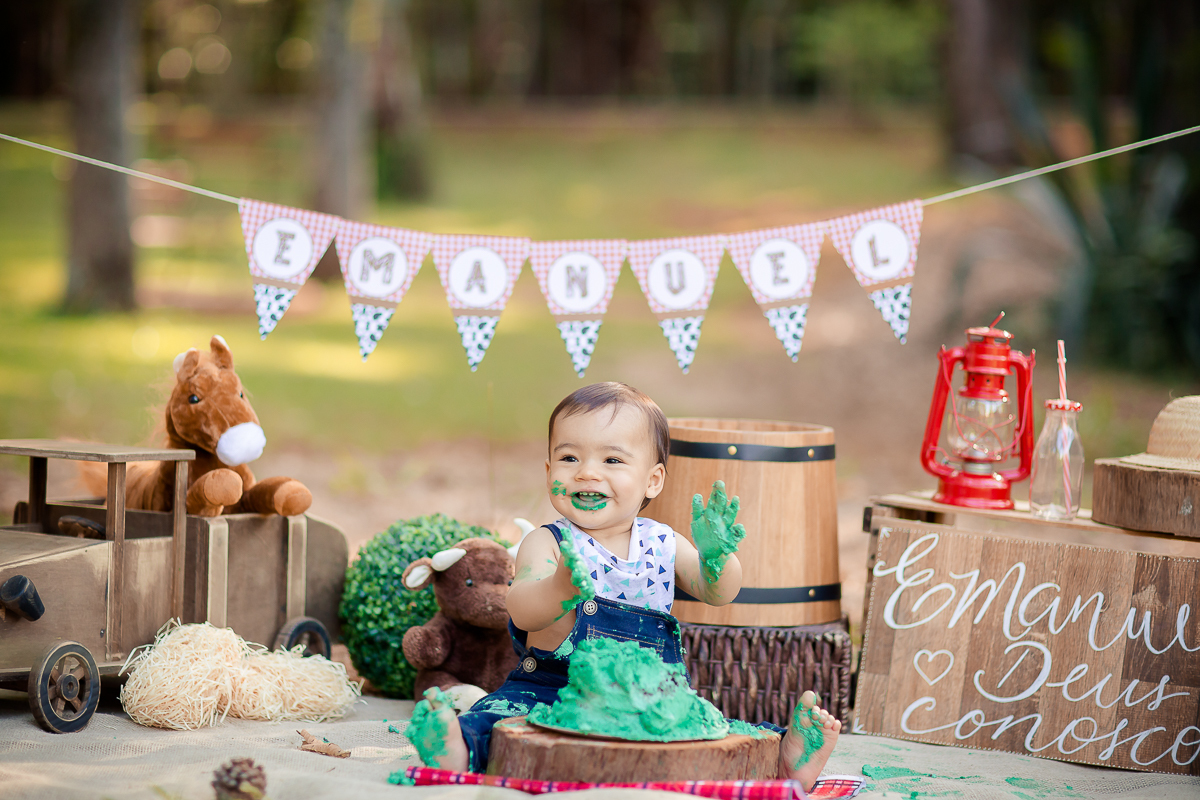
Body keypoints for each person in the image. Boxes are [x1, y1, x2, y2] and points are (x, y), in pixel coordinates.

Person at [405, 382, 840, 789]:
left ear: (653, 480)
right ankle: (458, 750)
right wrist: (558, 589)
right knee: (499, 718)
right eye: (570, 458)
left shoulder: (664, 543)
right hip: (551, 689)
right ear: (548, 469)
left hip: (651, 695)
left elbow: (717, 592)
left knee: (715, 732)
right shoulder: (549, 542)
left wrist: (716, 558)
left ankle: (782, 760)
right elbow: (521, 609)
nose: (587, 474)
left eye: (612, 460)